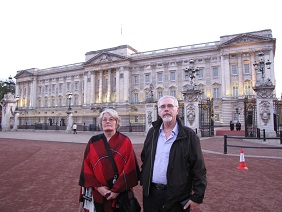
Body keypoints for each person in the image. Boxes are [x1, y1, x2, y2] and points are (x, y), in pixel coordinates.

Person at [141, 96, 207, 212]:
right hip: (151, 195)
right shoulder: (152, 132)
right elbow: (145, 159)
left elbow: (199, 168)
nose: (166, 109)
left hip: (177, 196)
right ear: (159, 111)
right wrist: (145, 179)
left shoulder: (189, 135)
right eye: (162, 107)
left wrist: (197, 197)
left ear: (177, 110)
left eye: (170, 106)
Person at [78, 108, 140, 212]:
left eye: (111, 119)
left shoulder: (125, 141)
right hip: (97, 192)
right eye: (104, 119)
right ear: (100, 123)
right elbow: (86, 167)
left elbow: (130, 167)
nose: (107, 122)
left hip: (120, 194)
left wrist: (117, 191)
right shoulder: (93, 141)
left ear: (117, 122)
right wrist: (99, 188)